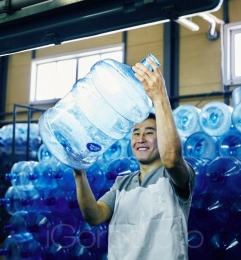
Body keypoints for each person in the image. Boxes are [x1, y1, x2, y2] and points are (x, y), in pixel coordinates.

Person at [73, 56, 196, 259]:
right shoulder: (122, 184)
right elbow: (94, 215)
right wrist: (79, 173)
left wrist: (159, 97)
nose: (141, 138)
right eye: (136, 133)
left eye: (149, 132)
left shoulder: (176, 178)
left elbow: (172, 159)